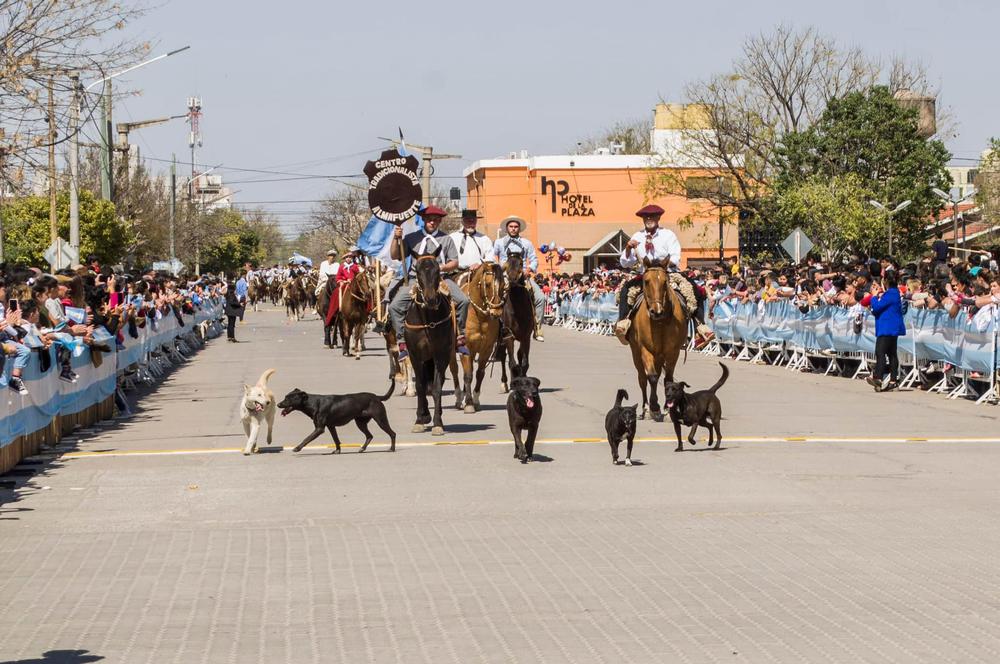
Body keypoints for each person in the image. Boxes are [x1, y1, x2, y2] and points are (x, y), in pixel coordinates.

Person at [388, 205, 470, 360]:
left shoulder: (446, 239)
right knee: (394, 306)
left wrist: (441, 267)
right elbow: (395, 255)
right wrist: (396, 237)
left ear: (439, 221)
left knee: (463, 301)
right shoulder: (412, 238)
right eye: (429, 219)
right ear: (423, 220)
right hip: (416, 280)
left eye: (435, 220)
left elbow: (454, 262)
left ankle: (460, 336)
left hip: (440, 279)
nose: (432, 222)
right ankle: (402, 340)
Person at [614, 204, 682, 340]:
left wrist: (662, 266)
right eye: (646, 217)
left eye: (652, 216)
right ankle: (623, 322)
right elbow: (625, 262)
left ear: (658, 218)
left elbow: (675, 256)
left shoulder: (668, 235)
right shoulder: (637, 236)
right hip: (644, 274)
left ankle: (700, 327)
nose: (649, 219)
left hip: (666, 273)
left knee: (692, 290)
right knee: (625, 290)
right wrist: (628, 248)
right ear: (643, 219)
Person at [493, 216, 545, 341]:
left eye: (516, 227)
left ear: (519, 229)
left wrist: (529, 270)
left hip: (522, 276)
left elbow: (534, 259)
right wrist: (499, 270)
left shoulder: (527, 243)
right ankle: (494, 328)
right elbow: (494, 257)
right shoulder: (499, 242)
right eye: (511, 227)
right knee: (492, 296)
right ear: (507, 228)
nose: (513, 229)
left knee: (540, 298)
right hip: (504, 276)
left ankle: (537, 327)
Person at [867, 271, 906, 392]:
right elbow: (878, 309)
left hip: (888, 327)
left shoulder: (891, 294)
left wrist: (873, 296)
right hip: (889, 326)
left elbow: (878, 306)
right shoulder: (892, 293)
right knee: (891, 353)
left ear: (886, 281)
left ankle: (878, 377)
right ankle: (893, 380)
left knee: (880, 351)